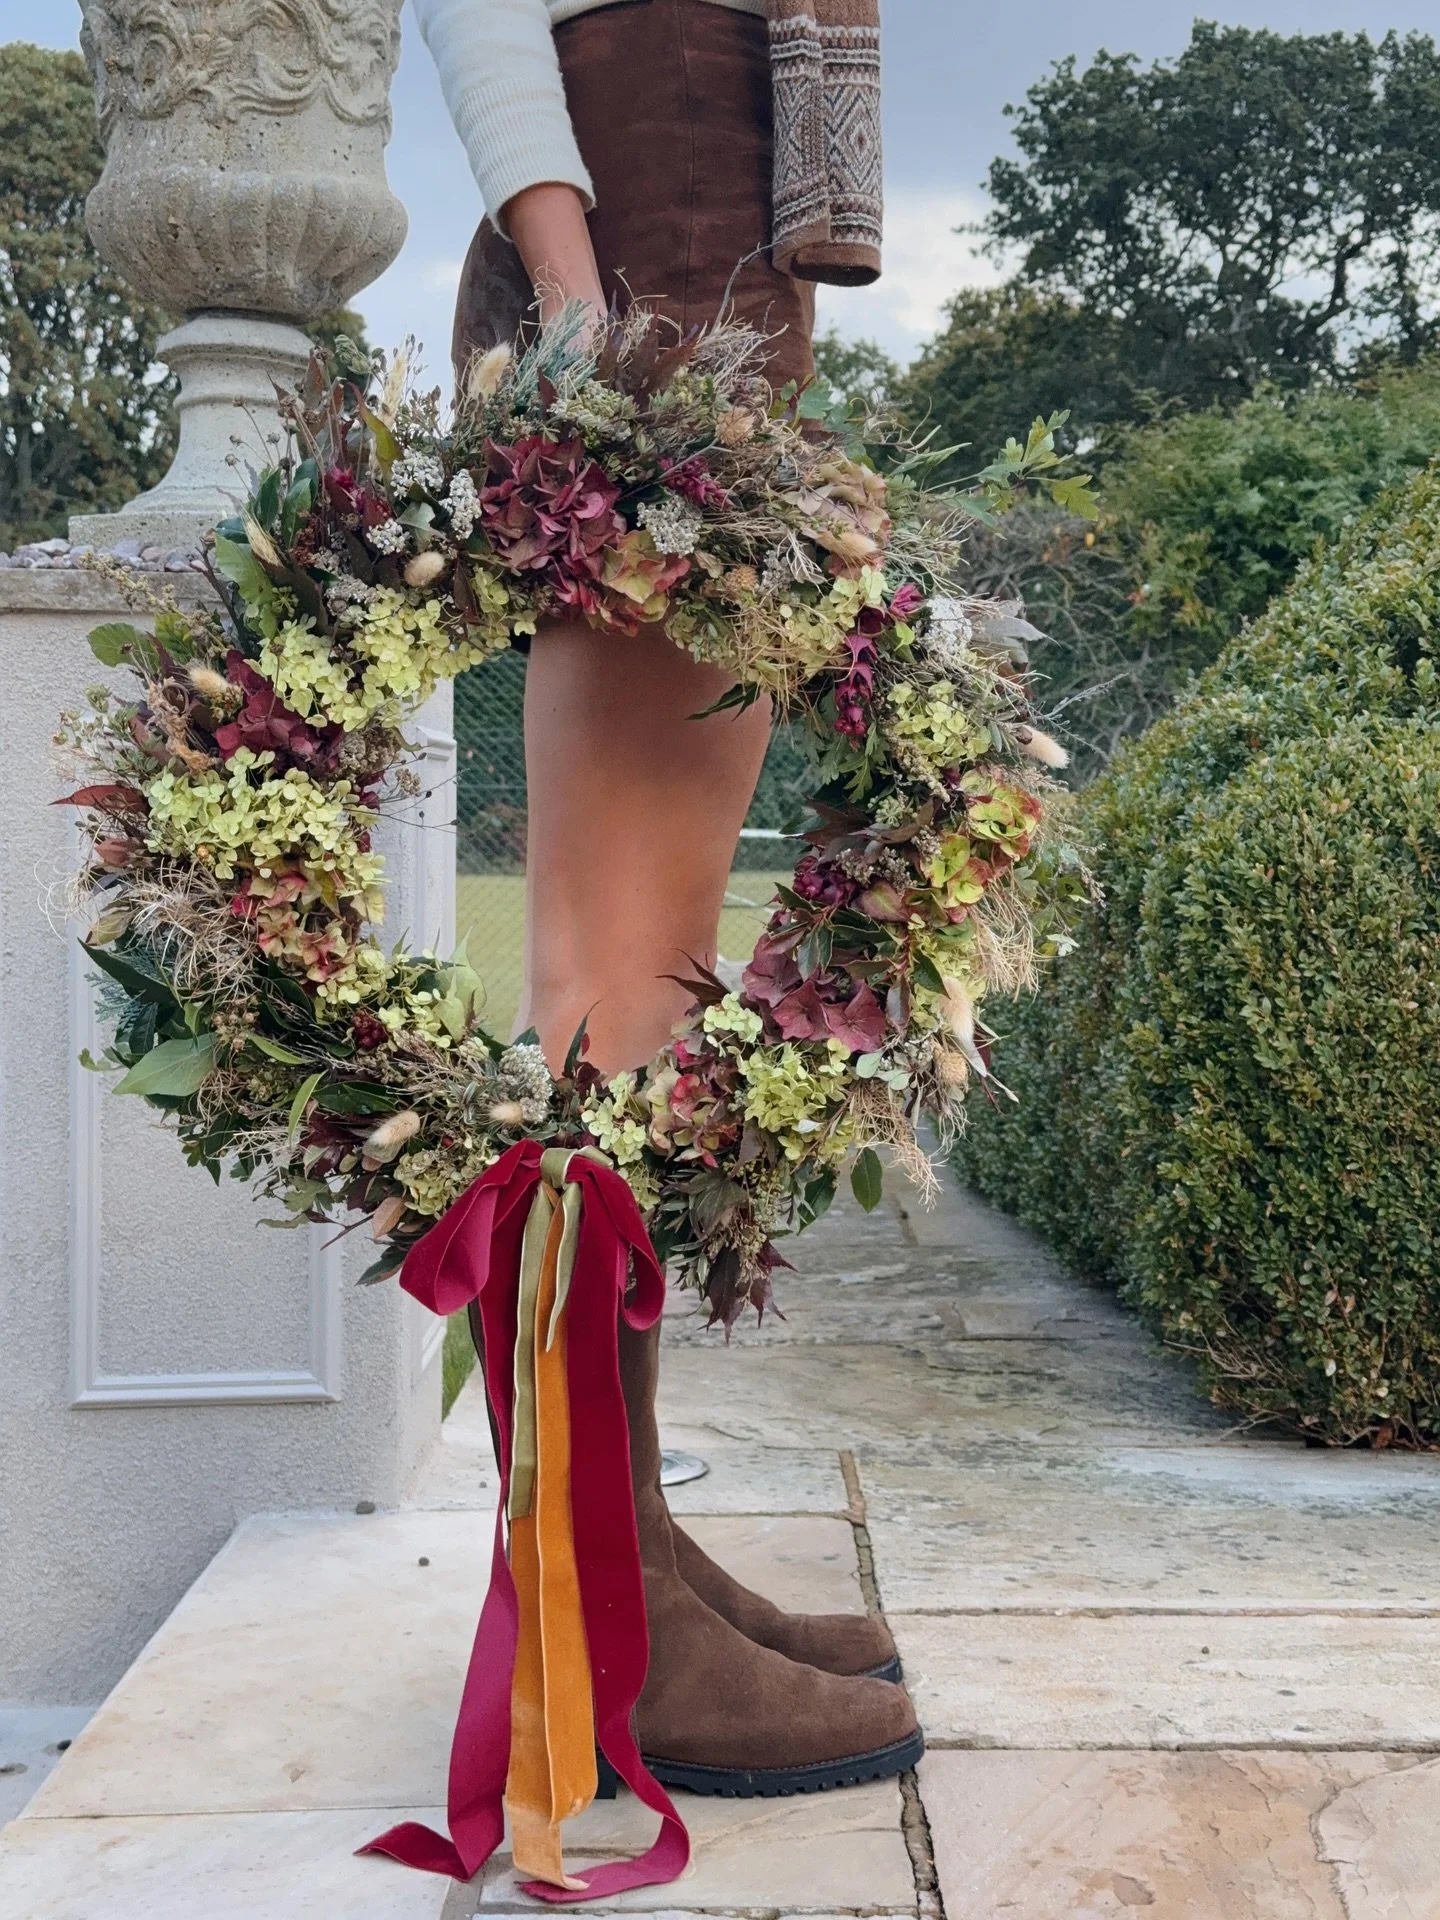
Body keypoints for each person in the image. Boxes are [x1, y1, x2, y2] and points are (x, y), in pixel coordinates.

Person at [412, 0, 920, 1796]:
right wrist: (574, 298)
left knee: (642, 973)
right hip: (642, 251)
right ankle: (612, 1633)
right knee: (611, 992)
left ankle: (629, 1572)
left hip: (699, 251)